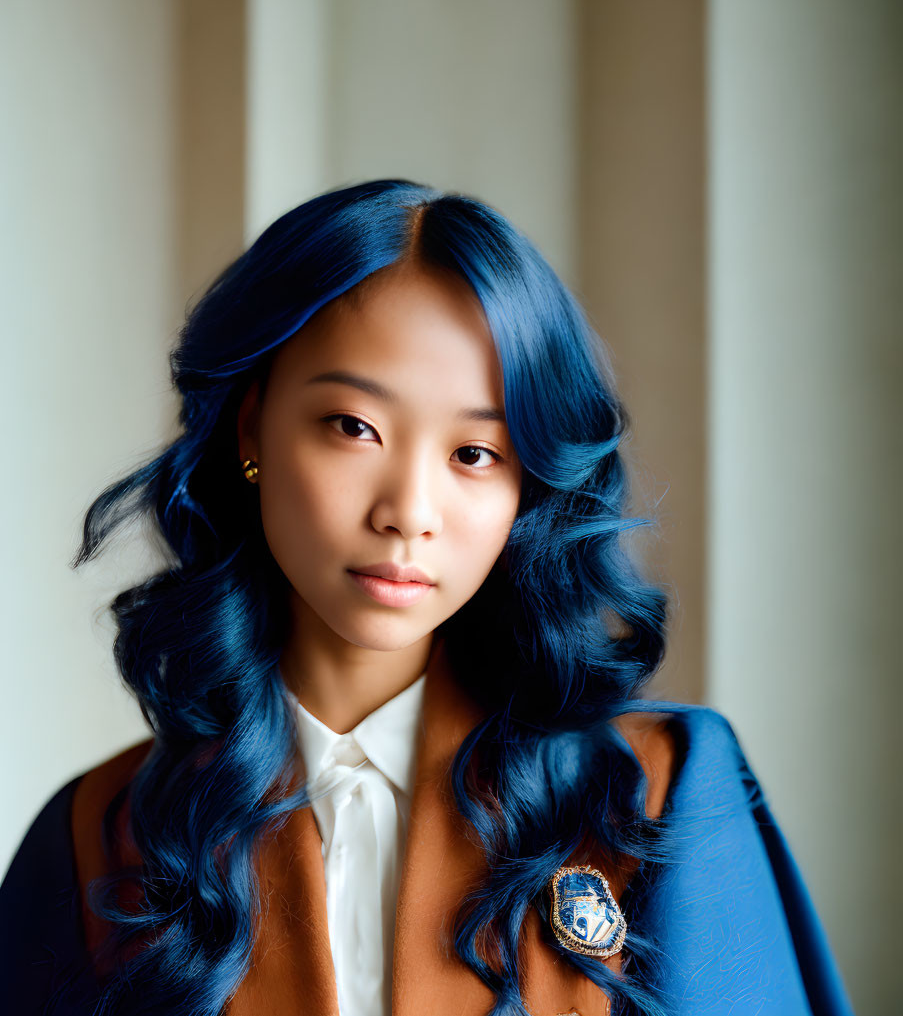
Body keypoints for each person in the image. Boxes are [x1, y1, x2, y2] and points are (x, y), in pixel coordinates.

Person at [0, 179, 853, 1016]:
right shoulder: (96, 839)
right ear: (251, 426)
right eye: (352, 427)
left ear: (529, 482)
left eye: (475, 452)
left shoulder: (657, 793)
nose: (407, 513)